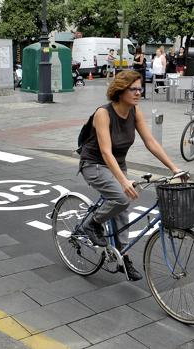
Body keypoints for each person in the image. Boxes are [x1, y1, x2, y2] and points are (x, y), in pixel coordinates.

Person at [78, 70, 185, 281]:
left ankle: (122, 256)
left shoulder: (135, 111)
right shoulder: (103, 113)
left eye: (140, 88)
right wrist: (123, 181)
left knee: (123, 209)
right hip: (94, 164)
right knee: (121, 197)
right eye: (133, 89)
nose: (138, 93)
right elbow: (106, 152)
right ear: (120, 90)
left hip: (117, 164)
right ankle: (92, 224)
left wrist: (175, 168)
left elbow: (151, 142)